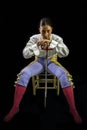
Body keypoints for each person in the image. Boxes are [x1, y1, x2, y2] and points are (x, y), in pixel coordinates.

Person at [4, 17, 82, 124]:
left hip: (52, 62)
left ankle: (73, 109)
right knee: (24, 74)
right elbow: (25, 54)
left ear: (52, 30)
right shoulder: (34, 38)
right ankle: (15, 107)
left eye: (48, 31)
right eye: (43, 31)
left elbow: (65, 53)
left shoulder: (56, 38)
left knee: (64, 75)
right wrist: (36, 45)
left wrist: (53, 44)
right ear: (39, 30)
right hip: (38, 62)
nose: (45, 33)